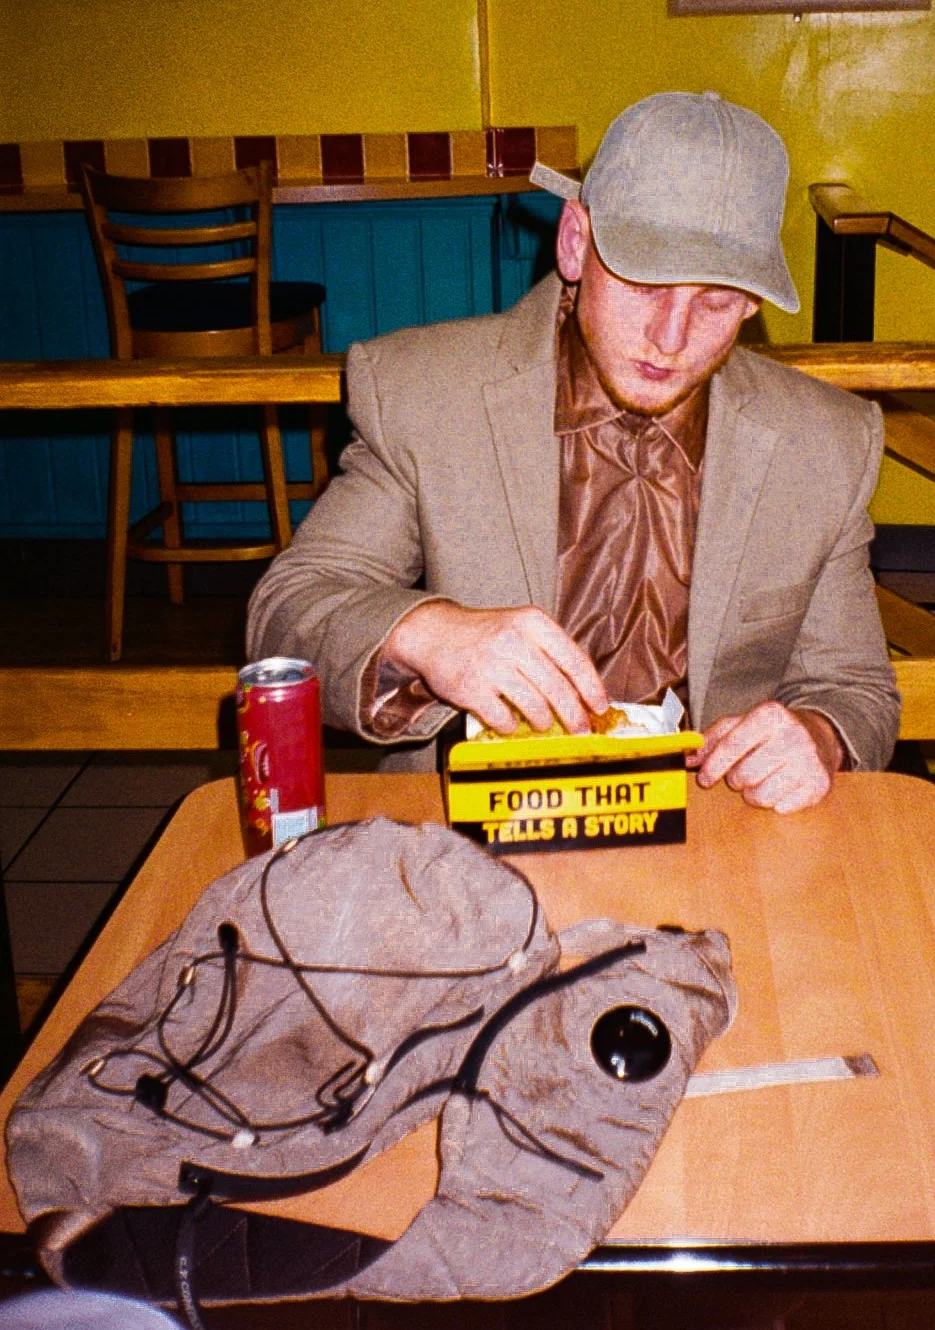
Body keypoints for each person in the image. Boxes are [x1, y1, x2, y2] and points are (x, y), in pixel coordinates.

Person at [247, 90, 899, 804]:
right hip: (479, 833)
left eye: (715, 301)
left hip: (715, 825)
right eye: (646, 283)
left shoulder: (825, 443)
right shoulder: (422, 396)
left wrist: (816, 733)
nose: (672, 339)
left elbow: (854, 687)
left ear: (751, 303)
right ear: (575, 243)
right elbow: (287, 615)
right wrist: (430, 636)